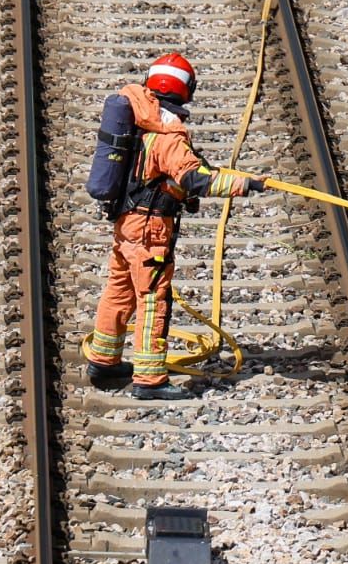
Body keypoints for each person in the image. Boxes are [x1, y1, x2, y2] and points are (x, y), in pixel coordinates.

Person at [81, 53, 265, 399]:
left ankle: (103, 361)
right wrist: (246, 184)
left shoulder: (140, 122)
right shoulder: (168, 135)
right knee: (153, 300)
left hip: (127, 225)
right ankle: (150, 381)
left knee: (118, 290)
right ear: (186, 91)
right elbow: (195, 179)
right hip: (151, 230)